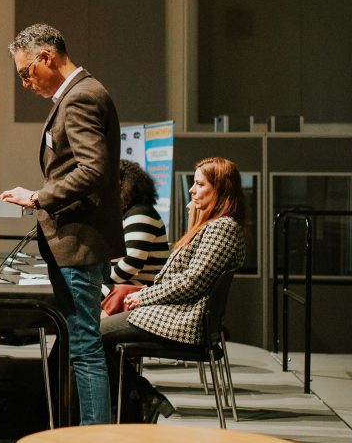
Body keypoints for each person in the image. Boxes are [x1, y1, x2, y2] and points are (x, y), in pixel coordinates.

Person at [0, 24, 121, 443]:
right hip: (71, 240)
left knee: (86, 350)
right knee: (79, 349)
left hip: (79, 241)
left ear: (47, 57)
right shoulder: (75, 97)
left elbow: (94, 169)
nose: (26, 84)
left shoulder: (84, 96)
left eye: (27, 73)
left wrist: (39, 196)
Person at [101, 157, 248, 425]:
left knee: (92, 336)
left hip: (184, 319)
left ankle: (141, 399)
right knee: (94, 334)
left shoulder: (222, 227)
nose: (192, 190)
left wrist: (142, 296)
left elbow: (192, 282)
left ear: (221, 189)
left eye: (200, 184)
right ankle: (134, 404)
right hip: (176, 312)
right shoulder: (212, 225)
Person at [109, 159, 170, 287]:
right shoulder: (132, 213)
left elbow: (131, 263)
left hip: (135, 289)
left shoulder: (141, 213)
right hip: (127, 287)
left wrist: (97, 282)